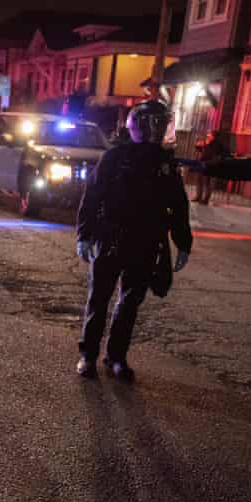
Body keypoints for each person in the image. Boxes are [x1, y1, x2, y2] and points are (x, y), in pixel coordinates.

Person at [75, 100, 192, 380]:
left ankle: (116, 357)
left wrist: (183, 241)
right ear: (138, 125)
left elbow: (177, 205)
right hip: (112, 236)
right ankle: (88, 355)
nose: (159, 129)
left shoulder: (165, 164)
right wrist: (85, 235)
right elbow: (92, 196)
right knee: (99, 299)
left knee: (129, 302)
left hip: (147, 240)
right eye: (154, 123)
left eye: (162, 123)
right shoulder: (116, 157)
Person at [192, 130, 226, 205]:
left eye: (209, 134)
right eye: (208, 134)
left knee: (206, 182)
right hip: (202, 162)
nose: (207, 135)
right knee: (199, 180)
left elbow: (213, 154)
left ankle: (205, 199)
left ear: (214, 136)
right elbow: (201, 150)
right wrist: (198, 146)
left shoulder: (217, 144)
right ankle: (198, 196)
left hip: (209, 164)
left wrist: (207, 145)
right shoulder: (206, 142)